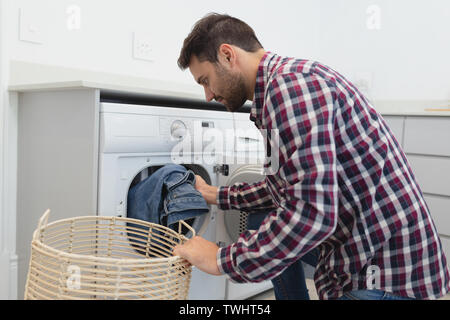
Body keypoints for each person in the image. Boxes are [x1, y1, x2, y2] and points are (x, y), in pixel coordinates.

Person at [172, 13, 450, 300]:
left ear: (228, 55)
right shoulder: (275, 94)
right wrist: (216, 194)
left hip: (386, 270)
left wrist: (220, 260)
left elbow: (312, 213)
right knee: (261, 219)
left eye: (205, 80)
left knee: (289, 222)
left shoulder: (290, 88)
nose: (207, 95)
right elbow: (285, 189)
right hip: (364, 245)